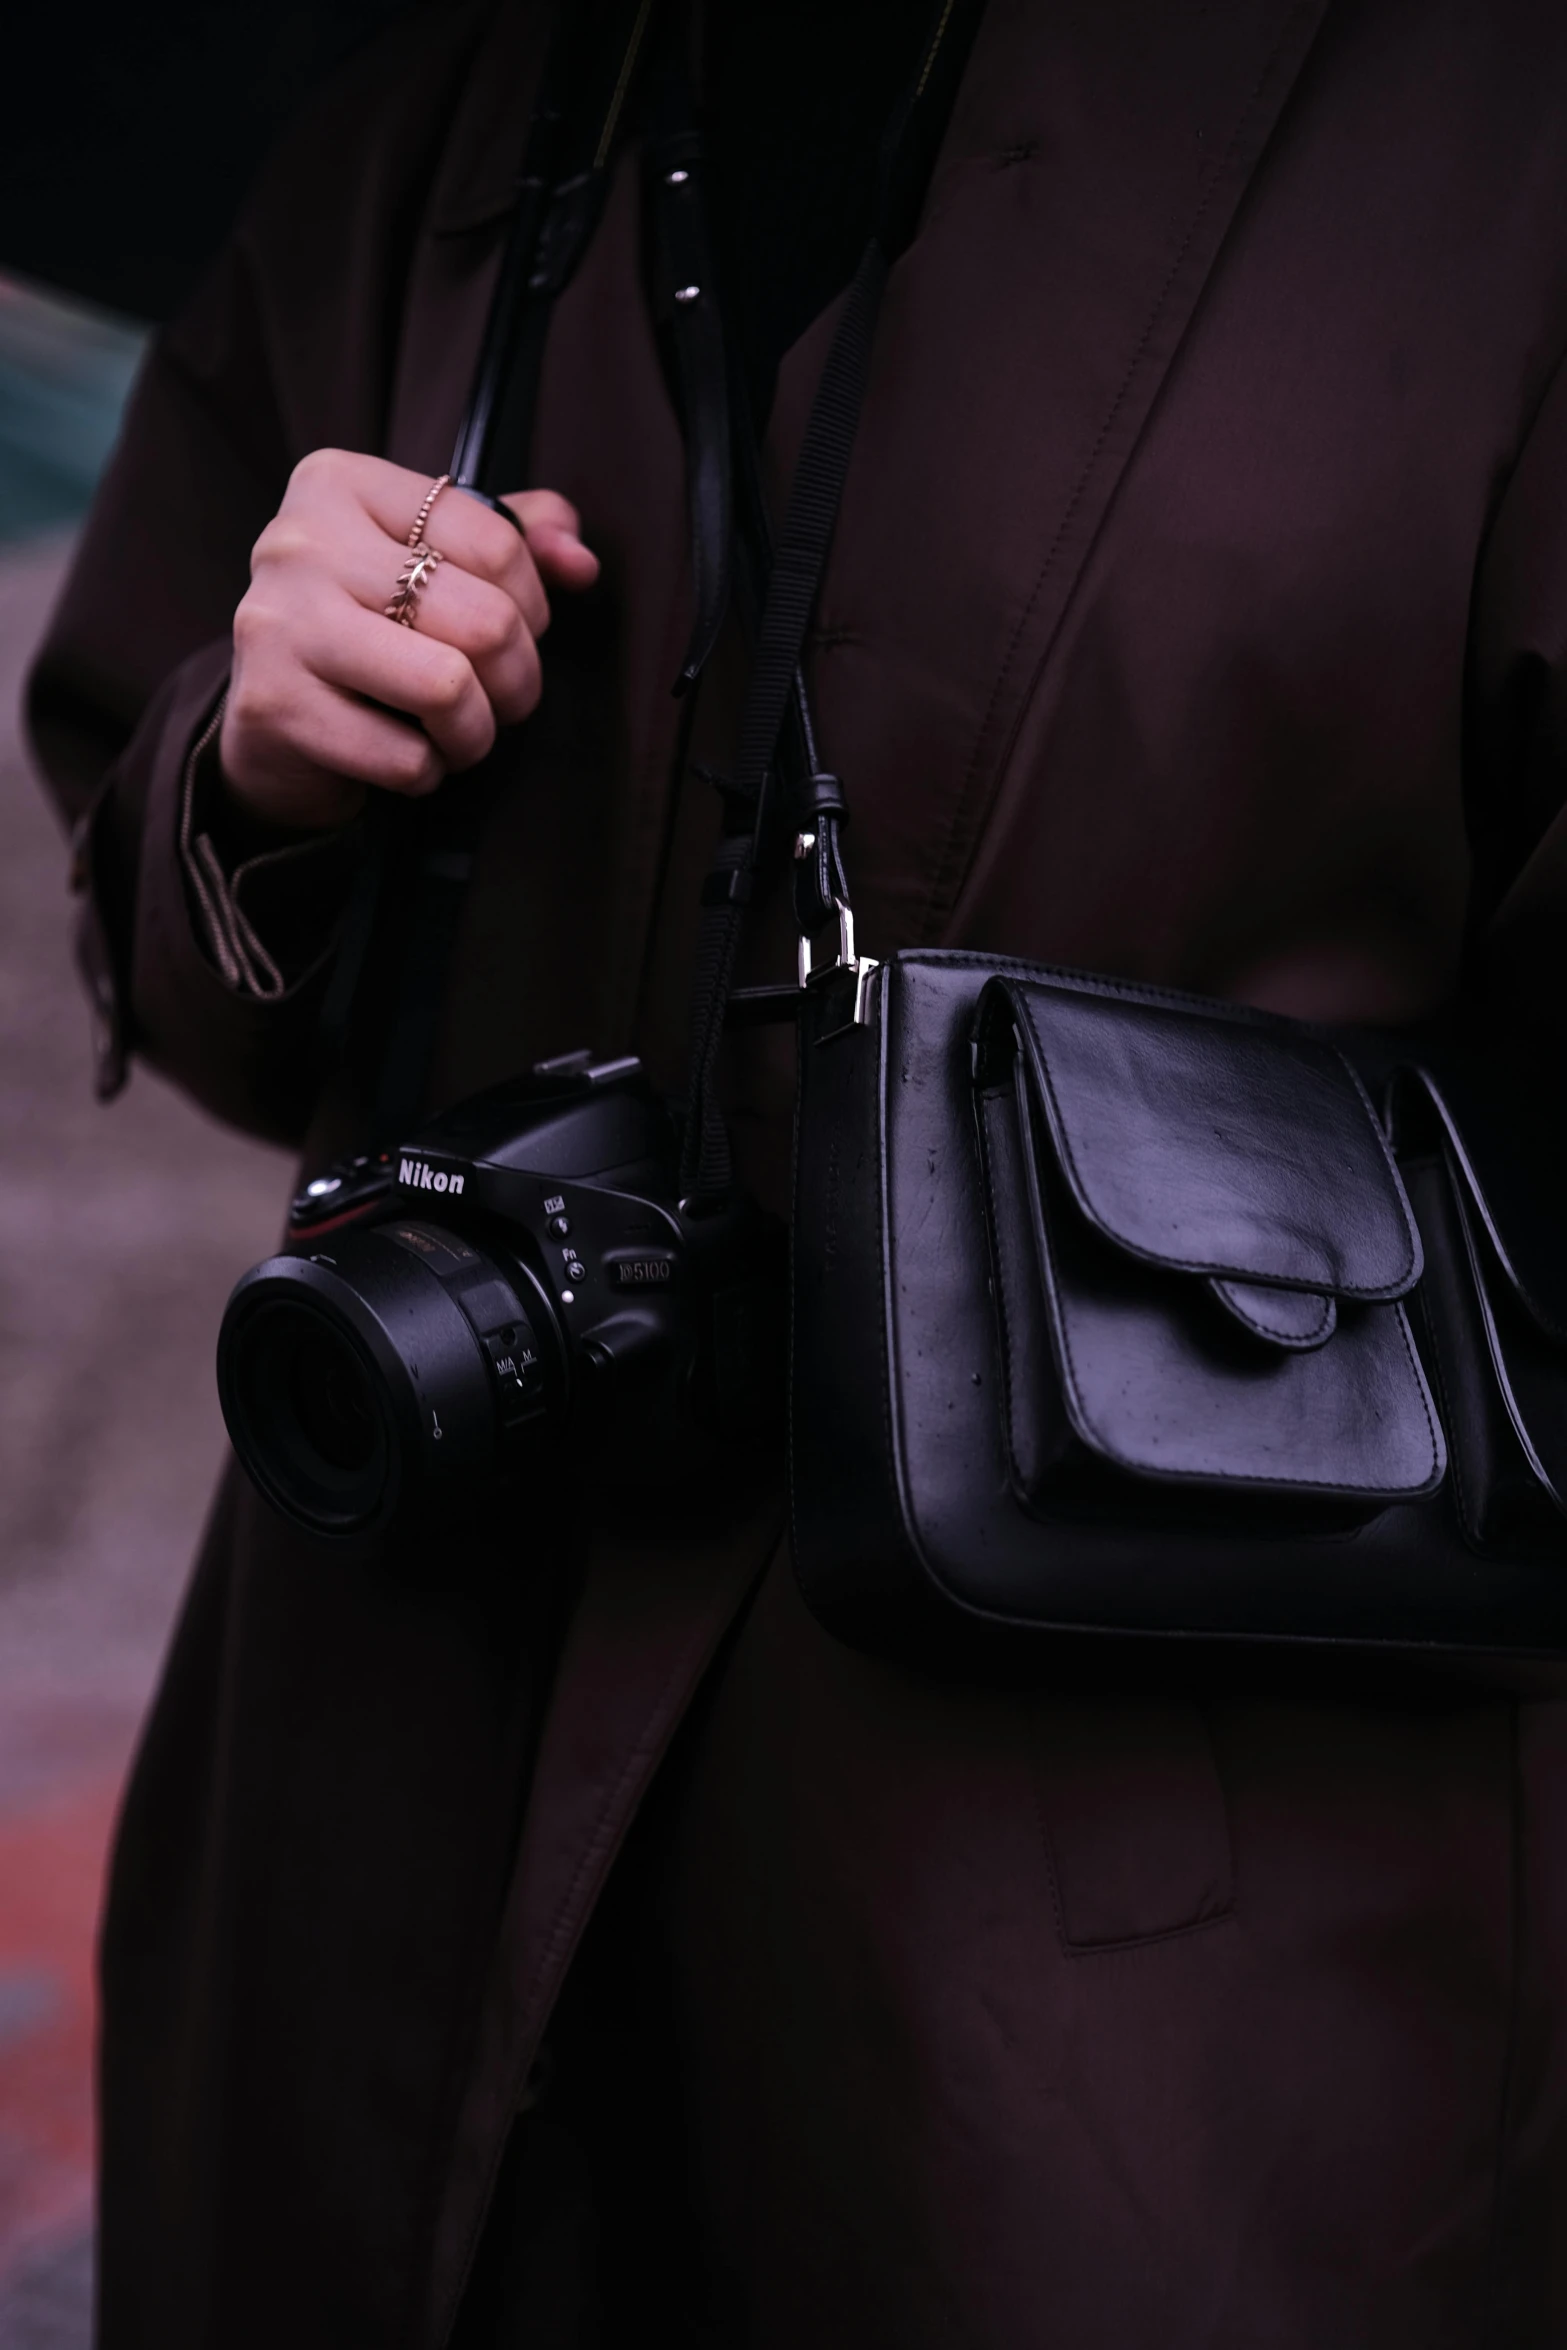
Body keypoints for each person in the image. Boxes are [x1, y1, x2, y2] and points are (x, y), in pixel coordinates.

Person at [26, 0, 1567, 2341]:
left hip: (1123, 2031)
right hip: (370, 1857)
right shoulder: (436, 110)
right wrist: (260, 776)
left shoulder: (1496, 132)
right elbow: (175, 917)